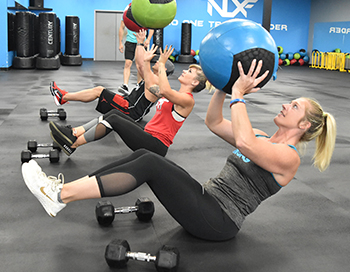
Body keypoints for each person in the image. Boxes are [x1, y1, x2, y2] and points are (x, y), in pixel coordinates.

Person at [21, 59, 336, 241]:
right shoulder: (262, 137)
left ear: (305, 125)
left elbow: (243, 142)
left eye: (293, 106)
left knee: (152, 163)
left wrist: (239, 95)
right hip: (205, 198)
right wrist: (224, 89)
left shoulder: (288, 159)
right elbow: (214, 123)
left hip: (219, 220)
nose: (285, 104)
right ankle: (59, 192)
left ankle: (59, 196)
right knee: (146, 156)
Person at [49, 42, 208, 156]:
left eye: (189, 71)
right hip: (147, 134)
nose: (185, 71)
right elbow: (150, 86)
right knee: (113, 114)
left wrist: (161, 65)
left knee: (115, 120)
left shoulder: (188, 100)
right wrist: (146, 60)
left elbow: (163, 89)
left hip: (156, 144)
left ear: (195, 82)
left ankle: (74, 143)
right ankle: (74, 133)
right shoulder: (172, 93)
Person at [119, 0, 154, 96]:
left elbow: (152, 27)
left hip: (141, 42)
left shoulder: (145, 11)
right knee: (128, 63)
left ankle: (139, 84)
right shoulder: (127, 12)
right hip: (130, 41)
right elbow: (121, 27)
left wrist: (148, 39)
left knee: (140, 65)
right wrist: (120, 42)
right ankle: (125, 85)